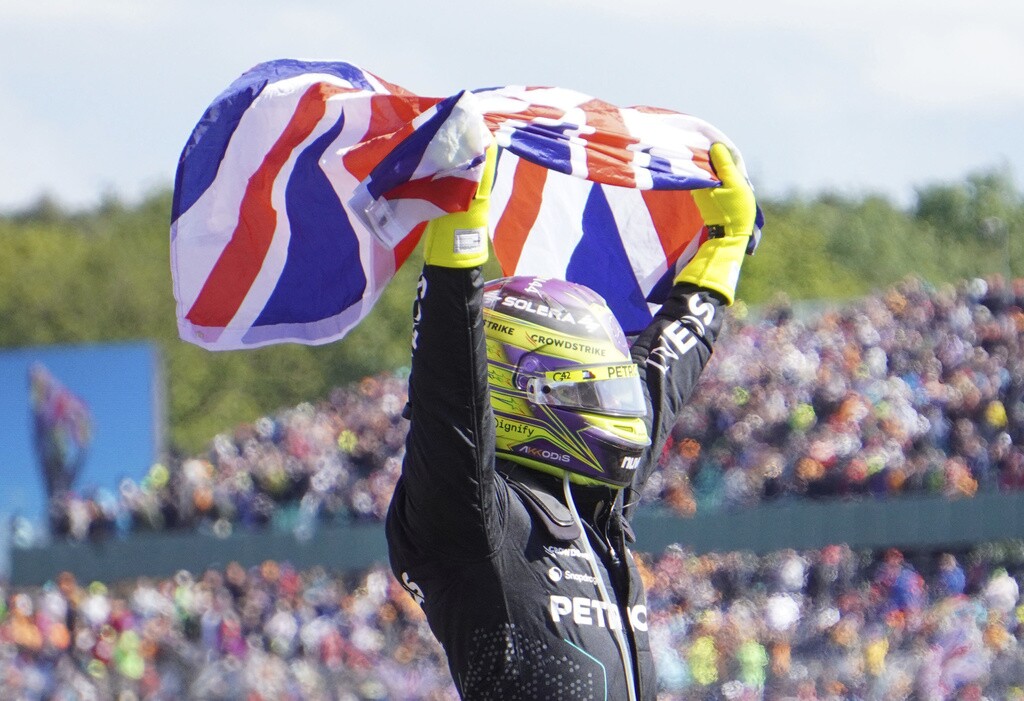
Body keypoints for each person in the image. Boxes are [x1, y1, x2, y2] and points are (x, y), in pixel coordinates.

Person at [386, 140, 758, 700]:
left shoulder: (593, 507)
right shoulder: (471, 521)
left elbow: (659, 377)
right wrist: (457, 249)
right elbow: (448, 398)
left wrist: (720, 259)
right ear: (522, 389)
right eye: (590, 384)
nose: (618, 401)